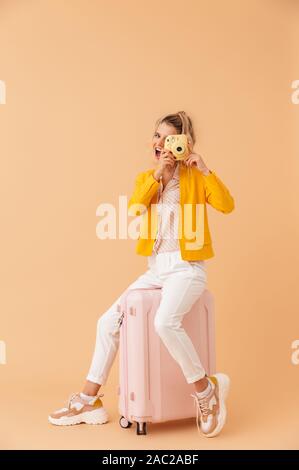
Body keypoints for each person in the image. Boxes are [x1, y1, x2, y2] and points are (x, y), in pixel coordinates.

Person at [48, 111, 235, 438]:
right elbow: (134, 208)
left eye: (169, 139)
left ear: (184, 144)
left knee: (164, 321)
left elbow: (226, 204)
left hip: (187, 269)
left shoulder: (196, 178)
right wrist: (157, 176)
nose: (160, 143)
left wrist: (205, 170)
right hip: (156, 270)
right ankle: (89, 400)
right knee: (107, 321)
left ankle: (206, 391)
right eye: (157, 136)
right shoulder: (147, 178)